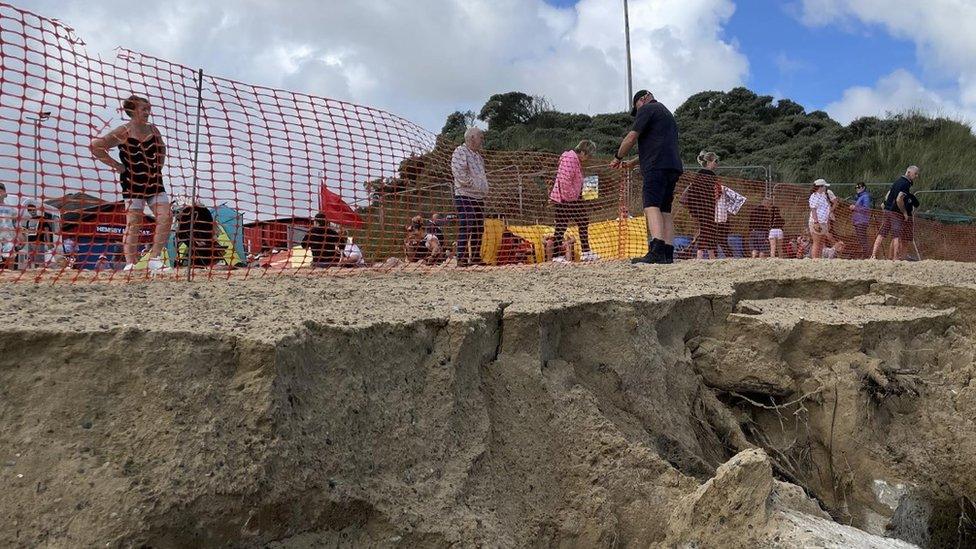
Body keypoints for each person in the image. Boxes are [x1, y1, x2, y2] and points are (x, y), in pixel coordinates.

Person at [90, 95, 172, 271]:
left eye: (148, 109)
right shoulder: (123, 131)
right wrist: (117, 166)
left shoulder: (154, 130)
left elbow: (162, 148)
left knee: (166, 217)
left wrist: (159, 166)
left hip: (154, 182)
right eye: (144, 109)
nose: (147, 112)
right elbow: (96, 146)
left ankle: (155, 258)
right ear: (133, 111)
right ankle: (130, 263)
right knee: (134, 221)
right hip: (132, 182)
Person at [610, 90, 683, 264]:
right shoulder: (667, 115)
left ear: (643, 99)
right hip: (672, 166)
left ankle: (656, 249)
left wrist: (618, 157)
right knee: (665, 209)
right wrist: (634, 163)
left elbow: (631, 137)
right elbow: (658, 145)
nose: (637, 112)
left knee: (651, 206)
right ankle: (667, 253)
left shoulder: (647, 109)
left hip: (655, 166)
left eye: (637, 108)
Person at [550, 139, 599, 262]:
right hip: (565, 199)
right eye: (588, 155)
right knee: (563, 225)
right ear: (582, 152)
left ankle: (585, 252)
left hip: (572, 198)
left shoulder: (575, 161)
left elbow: (574, 180)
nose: (588, 158)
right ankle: (558, 256)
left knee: (579, 221)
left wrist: (586, 188)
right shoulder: (570, 159)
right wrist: (572, 199)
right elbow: (565, 181)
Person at [451, 127, 489, 267]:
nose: (482, 140)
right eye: (480, 137)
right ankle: (461, 257)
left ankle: (475, 257)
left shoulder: (478, 156)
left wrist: (483, 189)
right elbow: (460, 173)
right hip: (465, 195)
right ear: (472, 138)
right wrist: (475, 185)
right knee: (466, 224)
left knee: (479, 227)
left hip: (478, 197)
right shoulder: (460, 152)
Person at [871, 166, 919, 260]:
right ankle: (895, 258)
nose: (916, 176)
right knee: (896, 236)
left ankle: (873, 255)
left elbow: (889, 193)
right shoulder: (905, 184)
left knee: (882, 234)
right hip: (895, 212)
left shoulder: (897, 181)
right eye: (915, 174)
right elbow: (899, 199)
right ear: (909, 172)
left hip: (887, 210)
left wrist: (885, 203)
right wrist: (904, 212)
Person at [680, 151, 720, 259]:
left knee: (706, 230)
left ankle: (708, 255)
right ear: (709, 162)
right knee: (707, 230)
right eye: (715, 161)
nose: (717, 163)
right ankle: (701, 255)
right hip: (705, 208)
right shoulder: (708, 175)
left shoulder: (700, 174)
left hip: (701, 207)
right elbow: (705, 193)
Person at [173, 200, 224, 267]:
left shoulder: (191, 214)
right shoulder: (203, 213)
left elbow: (182, 232)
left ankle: (201, 261)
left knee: (183, 236)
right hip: (205, 240)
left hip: (199, 241)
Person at [18, 199, 58, 270]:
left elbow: (46, 230)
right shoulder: (28, 221)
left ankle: (41, 274)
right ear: (28, 211)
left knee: (40, 261)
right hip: (30, 243)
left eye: (33, 210)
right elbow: (27, 233)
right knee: (33, 261)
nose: (32, 211)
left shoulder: (41, 219)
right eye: (30, 210)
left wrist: (49, 243)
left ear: (36, 210)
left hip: (39, 243)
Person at [808, 179, 832, 260]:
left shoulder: (823, 195)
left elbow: (827, 209)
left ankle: (819, 258)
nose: (825, 188)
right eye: (824, 186)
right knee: (816, 242)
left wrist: (827, 222)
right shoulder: (814, 196)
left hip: (823, 222)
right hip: (817, 222)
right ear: (820, 187)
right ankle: (815, 258)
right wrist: (816, 222)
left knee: (821, 241)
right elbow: (813, 210)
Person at [850, 183, 872, 258]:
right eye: (856, 187)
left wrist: (855, 208)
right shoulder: (860, 197)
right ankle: (865, 255)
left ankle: (866, 255)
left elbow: (866, 209)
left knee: (862, 239)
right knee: (861, 239)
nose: (857, 189)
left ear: (863, 188)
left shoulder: (865, 196)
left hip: (862, 221)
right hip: (858, 221)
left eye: (859, 187)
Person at [0, 183, 17, 269]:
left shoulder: (11, 209)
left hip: (8, 236)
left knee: (10, 257)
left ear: (5, 194)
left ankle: (10, 278)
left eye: (1, 190)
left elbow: (15, 224)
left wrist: (19, 235)